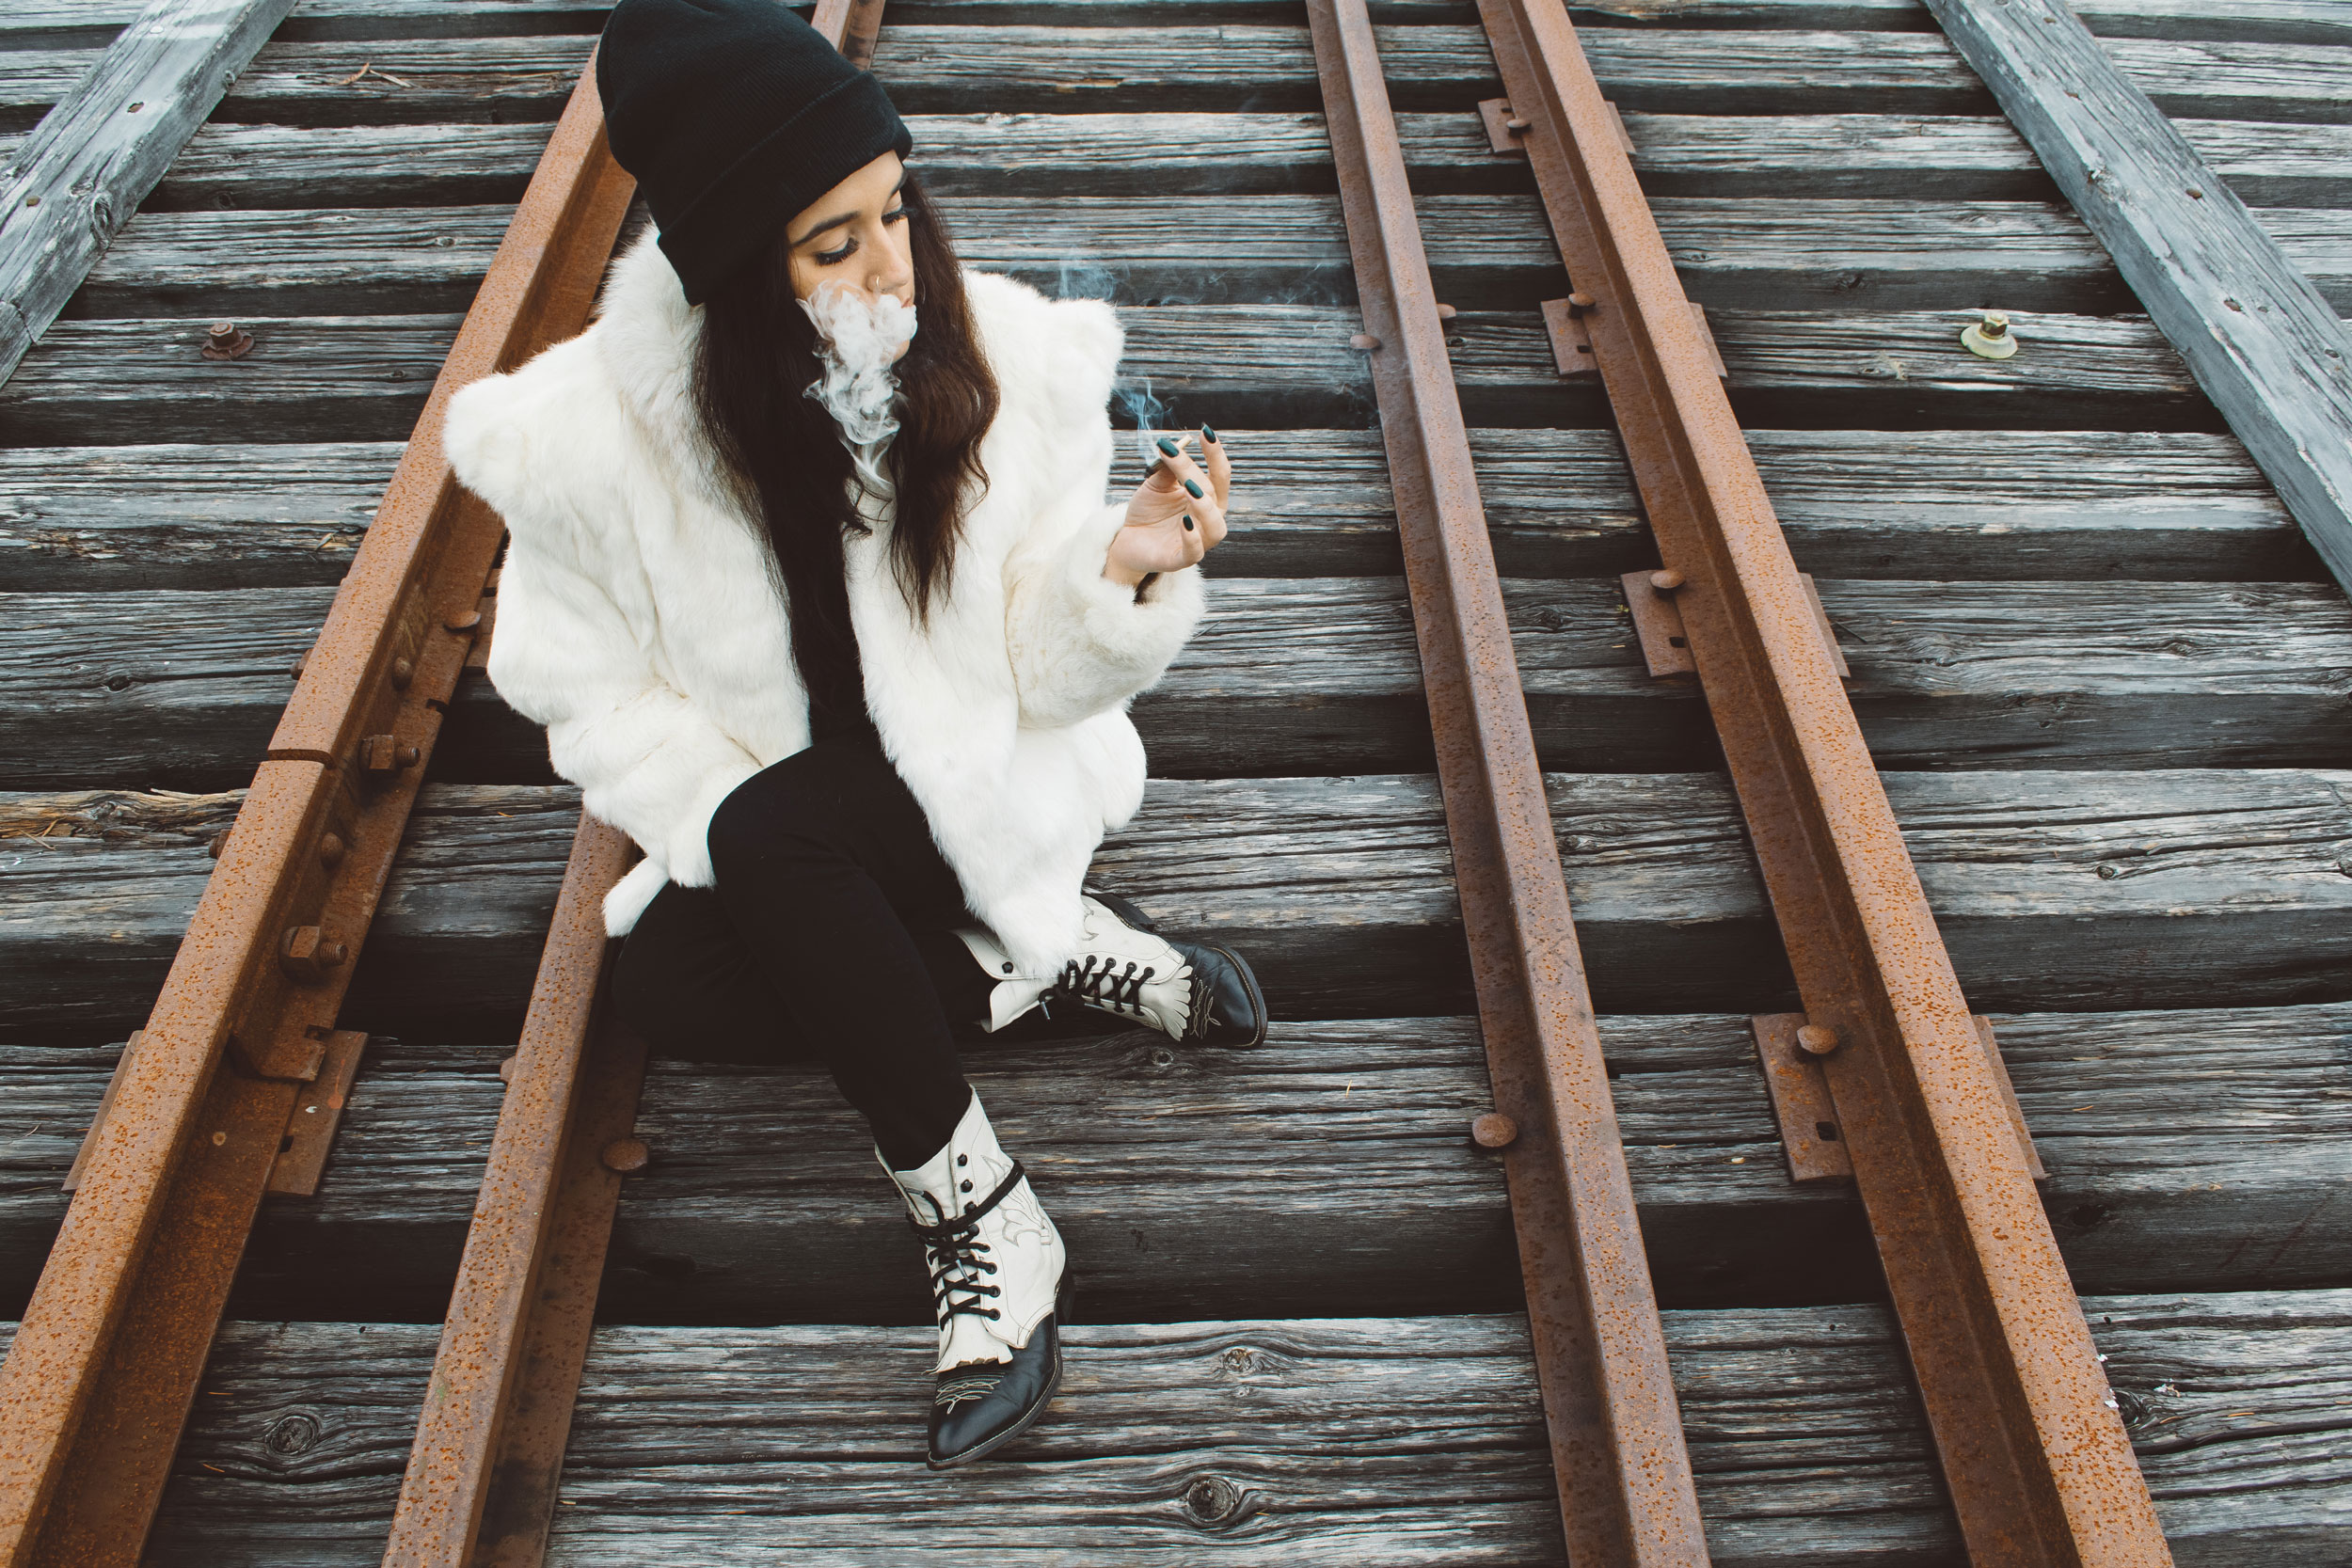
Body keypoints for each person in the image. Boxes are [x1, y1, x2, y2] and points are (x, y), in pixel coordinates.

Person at [441, 0, 1266, 1470]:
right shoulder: (581, 445)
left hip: (971, 780)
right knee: (677, 978)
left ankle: (985, 1219)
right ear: (735, 274)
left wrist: (1121, 568)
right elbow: (582, 693)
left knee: (784, 858)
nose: (893, 267)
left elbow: (1032, 675)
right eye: (833, 245)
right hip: (793, 821)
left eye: (895, 209)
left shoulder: (1002, 360)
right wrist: (742, 822)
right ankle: (1048, 953)